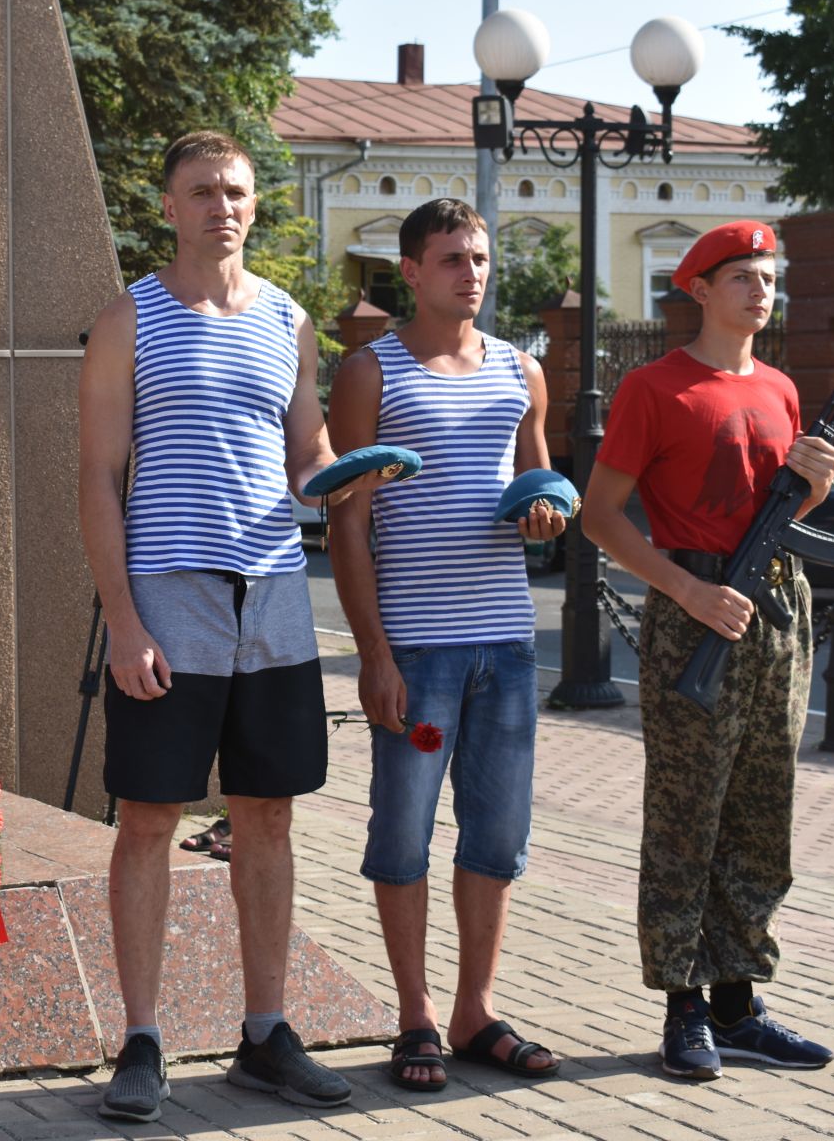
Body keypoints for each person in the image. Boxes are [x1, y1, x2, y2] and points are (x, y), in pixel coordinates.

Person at [77, 130, 361, 1123]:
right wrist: (121, 616)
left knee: (268, 816)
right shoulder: (131, 319)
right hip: (169, 595)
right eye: (202, 191)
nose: (223, 207)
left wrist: (338, 476)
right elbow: (97, 480)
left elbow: (306, 446)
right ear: (168, 206)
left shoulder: (287, 320)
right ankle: (143, 1037)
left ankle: (264, 1030)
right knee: (150, 818)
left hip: (276, 592)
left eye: (236, 191)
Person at [582, 220, 834, 1081]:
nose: (760, 291)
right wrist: (683, 589)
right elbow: (602, 515)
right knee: (689, 815)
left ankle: (739, 1001)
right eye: (741, 278)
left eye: (768, 278)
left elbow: (774, 522)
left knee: (763, 811)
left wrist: (817, 491)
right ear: (698, 290)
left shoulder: (781, 388)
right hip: (694, 608)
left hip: (774, 612)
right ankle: (682, 1006)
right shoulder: (654, 388)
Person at [325, 198, 565, 1090]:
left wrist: (545, 516)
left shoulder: (520, 371)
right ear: (414, 273)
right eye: (454, 258)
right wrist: (373, 657)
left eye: (481, 256)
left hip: (504, 650)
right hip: (418, 659)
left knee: (496, 834)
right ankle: (416, 1015)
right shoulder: (370, 373)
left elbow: (537, 490)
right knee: (404, 832)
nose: (473, 271)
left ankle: (475, 1010)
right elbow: (348, 529)